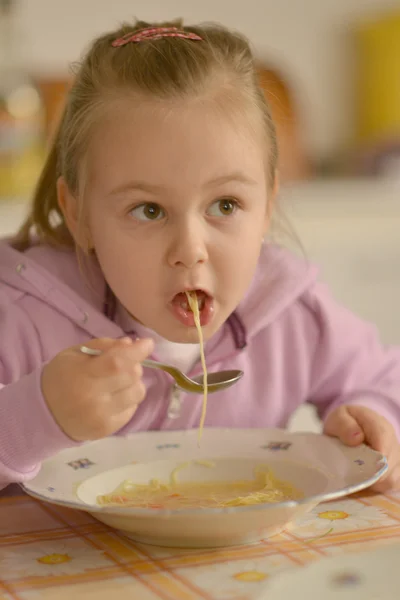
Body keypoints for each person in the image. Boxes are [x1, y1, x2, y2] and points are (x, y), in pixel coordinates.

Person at [0, 19, 399, 493]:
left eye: (225, 206)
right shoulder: (22, 319)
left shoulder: (292, 315)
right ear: (80, 214)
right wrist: (34, 417)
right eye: (148, 210)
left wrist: (373, 416)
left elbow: (383, 380)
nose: (190, 250)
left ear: (268, 204)